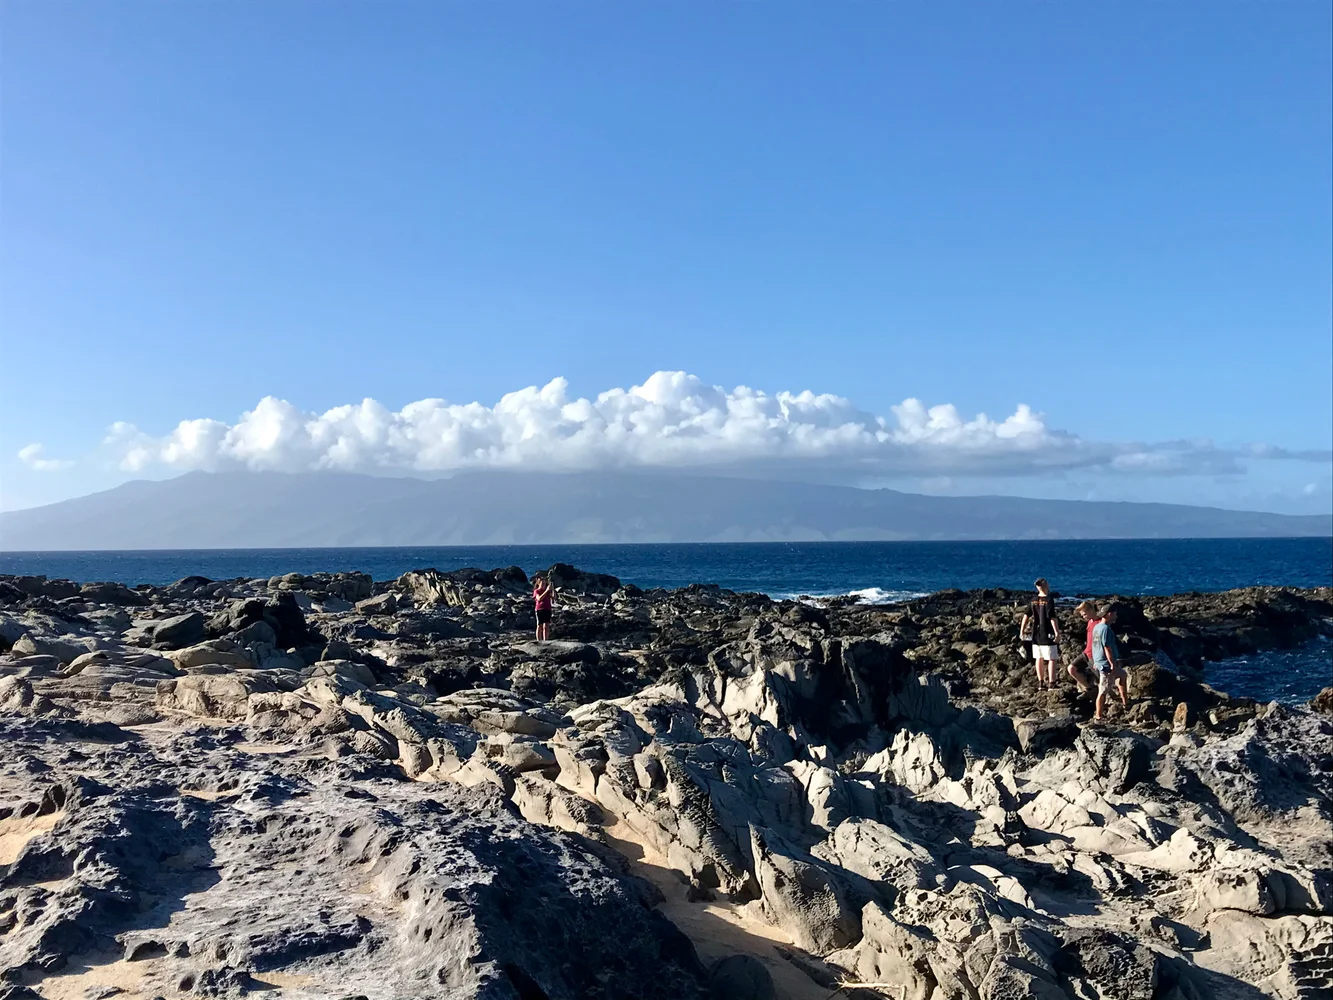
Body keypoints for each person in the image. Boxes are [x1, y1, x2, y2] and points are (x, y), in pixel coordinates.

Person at [1020, 578, 1061, 690]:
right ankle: (1052, 683)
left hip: (1036, 633)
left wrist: (1022, 630)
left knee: (1039, 657)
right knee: (1052, 658)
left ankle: (1041, 682)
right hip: (1047, 632)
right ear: (1046, 585)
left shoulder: (1033, 600)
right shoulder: (1049, 600)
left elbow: (1026, 615)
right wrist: (1057, 632)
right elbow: (1052, 617)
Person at [1092, 604, 1130, 721]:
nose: (1116, 616)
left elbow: (1095, 645)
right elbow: (1106, 647)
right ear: (1109, 614)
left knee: (1123, 675)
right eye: (1115, 614)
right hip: (1106, 664)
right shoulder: (1106, 629)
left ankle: (1125, 702)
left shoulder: (1097, 627)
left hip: (1100, 661)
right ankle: (1098, 715)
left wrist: (1095, 660)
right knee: (1103, 690)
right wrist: (1112, 663)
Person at [1066, 600, 1099, 694]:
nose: (1083, 617)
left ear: (1091, 610)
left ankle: (1112, 696)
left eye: (1084, 614)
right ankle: (1089, 688)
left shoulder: (1099, 623)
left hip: (1094, 655)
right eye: (1082, 615)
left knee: (1102, 679)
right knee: (1071, 668)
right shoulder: (1090, 622)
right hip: (1086, 653)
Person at [532, 573, 554, 641]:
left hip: (547, 608)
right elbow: (539, 599)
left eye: (545, 584)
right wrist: (546, 591)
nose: (544, 585)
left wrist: (552, 590)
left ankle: (546, 640)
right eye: (542, 584)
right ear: (539, 584)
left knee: (546, 625)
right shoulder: (537, 591)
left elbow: (554, 598)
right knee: (540, 625)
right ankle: (539, 640)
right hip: (539, 609)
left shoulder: (547, 591)